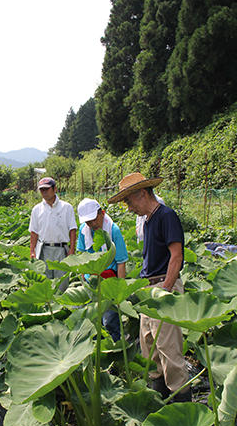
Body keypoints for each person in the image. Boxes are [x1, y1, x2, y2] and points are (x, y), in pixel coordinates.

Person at [108, 172, 190, 402]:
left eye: (129, 201)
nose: (128, 207)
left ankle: (182, 405)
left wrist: (166, 289)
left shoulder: (166, 216)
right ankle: (159, 399)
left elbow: (176, 256)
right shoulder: (148, 220)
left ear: (142, 193)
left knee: (168, 347)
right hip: (150, 288)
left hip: (164, 285)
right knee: (149, 345)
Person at [77, 198, 128, 341]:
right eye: (88, 222)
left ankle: (116, 349)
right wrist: (83, 279)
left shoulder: (113, 230)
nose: (92, 225)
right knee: (91, 320)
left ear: (102, 213)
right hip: (91, 280)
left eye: (93, 220)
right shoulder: (83, 230)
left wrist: (119, 291)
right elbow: (82, 255)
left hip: (109, 281)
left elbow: (121, 262)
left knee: (110, 321)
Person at [29, 177, 77, 292]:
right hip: (43, 249)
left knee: (62, 283)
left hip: (61, 249)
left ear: (55, 189)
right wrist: (32, 251)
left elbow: (72, 230)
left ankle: (62, 307)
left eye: (47, 189)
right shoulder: (37, 209)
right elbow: (34, 232)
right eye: (42, 190)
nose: (44, 192)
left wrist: (71, 250)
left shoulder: (66, 207)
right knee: (45, 283)